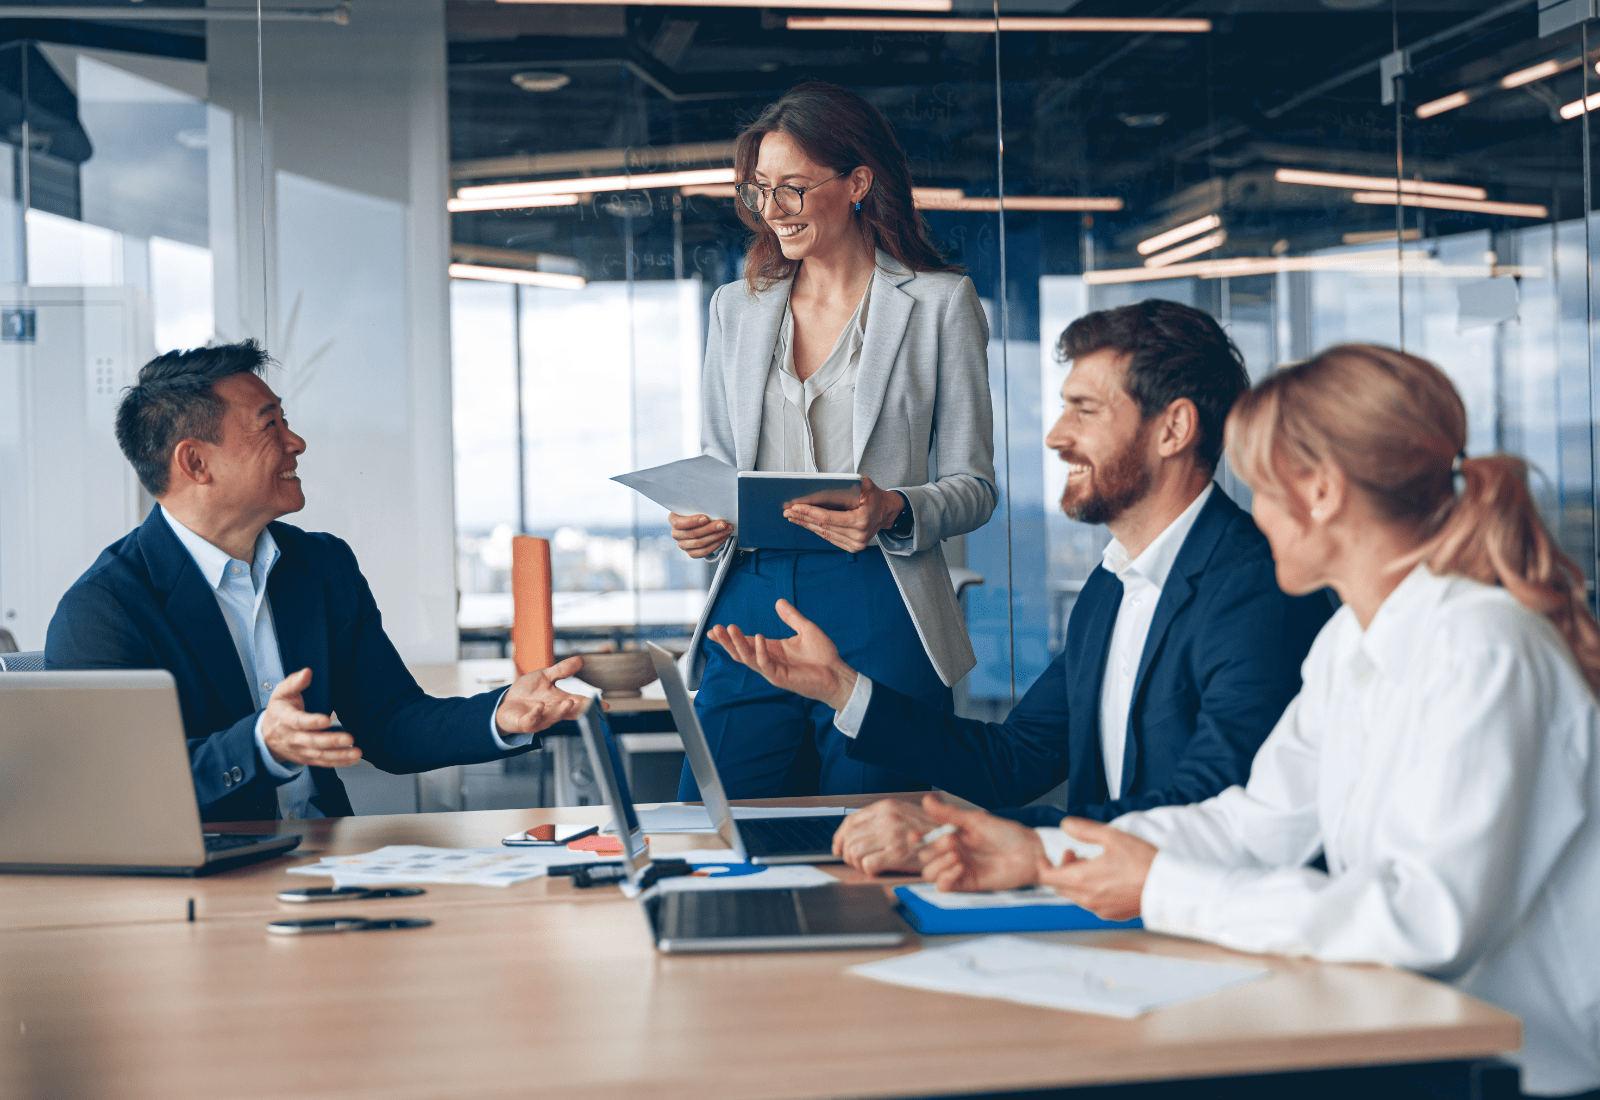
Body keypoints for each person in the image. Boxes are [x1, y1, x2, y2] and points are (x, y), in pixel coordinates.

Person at [915, 344, 1600, 1099]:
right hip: (1407, 1035)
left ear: (1323, 493)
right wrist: (1042, 854)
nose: (1254, 515)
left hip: (1515, 1069)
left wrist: (1160, 888)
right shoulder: (1351, 641)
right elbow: (1254, 824)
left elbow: (1423, 920)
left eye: (1263, 488)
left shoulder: (1482, 646)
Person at [711, 299, 1332, 872]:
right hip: (1104, 910)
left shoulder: (1259, 591)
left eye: (1085, 410)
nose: (1057, 436)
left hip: (1198, 929)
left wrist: (963, 839)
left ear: (1173, 429)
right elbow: (1012, 762)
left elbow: (1207, 807)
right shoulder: (1113, 585)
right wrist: (841, 687)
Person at [46, 341, 593, 823]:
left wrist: (498, 715)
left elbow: (388, 722)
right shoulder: (103, 608)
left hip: (326, 862)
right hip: (206, 880)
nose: (297, 441)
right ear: (195, 462)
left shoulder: (323, 565)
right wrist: (260, 746)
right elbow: (116, 790)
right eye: (270, 425)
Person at [666, 81, 997, 799]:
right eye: (759, 191)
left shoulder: (940, 304)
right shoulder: (737, 308)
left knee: (875, 833)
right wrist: (702, 521)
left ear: (857, 184)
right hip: (751, 596)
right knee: (718, 826)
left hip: (881, 593)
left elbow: (974, 486)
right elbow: (720, 465)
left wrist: (896, 509)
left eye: (792, 188)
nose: (772, 211)